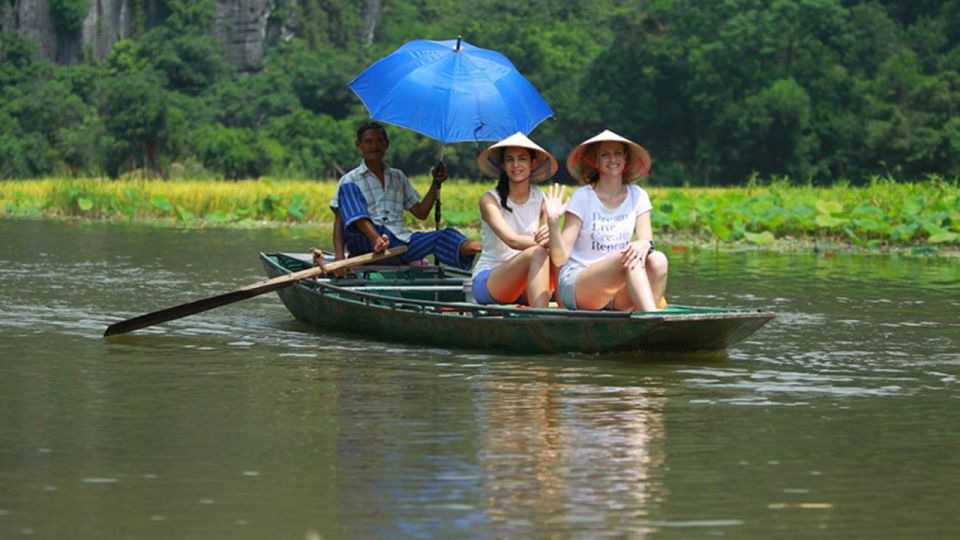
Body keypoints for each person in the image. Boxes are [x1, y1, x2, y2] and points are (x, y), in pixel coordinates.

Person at [328, 122, 481, 270]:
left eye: (379, 141)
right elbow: (339, 221)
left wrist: (436, 183)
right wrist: (339, 258)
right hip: (364, 242)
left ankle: (482, 248)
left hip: (399, 241)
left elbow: (421, 212)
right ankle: (377, 240)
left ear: (386, 145)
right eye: (368, 142)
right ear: (359, 145)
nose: (374, 146)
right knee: (347, 189)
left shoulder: (398, 176)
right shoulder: (350, 179)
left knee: (444, 235)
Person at [544, 129, 668, 311]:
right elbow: (560, 258)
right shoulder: (582, 197)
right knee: (627, 258)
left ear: (625, 159)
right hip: (579, 283)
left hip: (619, 283)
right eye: (605, 155)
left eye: (618, 153)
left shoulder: (638, 196)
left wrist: (645, 245)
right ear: (595, 161)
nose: (613, 160)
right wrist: (553, 223)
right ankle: (653, 319)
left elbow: (645, 242)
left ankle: (644, 320)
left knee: (658, 260)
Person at [472, 132, 559, 307]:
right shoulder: (490, 200)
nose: (516, 165)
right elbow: (513, 241)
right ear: (503, 165)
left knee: (557, 257)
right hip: (492, 280)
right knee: (539, 251)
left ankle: (567, 310)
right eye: (510, 159)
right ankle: (541, 319)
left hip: (529, 282)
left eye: (522, 159)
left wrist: (552, 232)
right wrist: (547, 243)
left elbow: (552, 241)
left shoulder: (541, 199)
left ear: (532, 163)